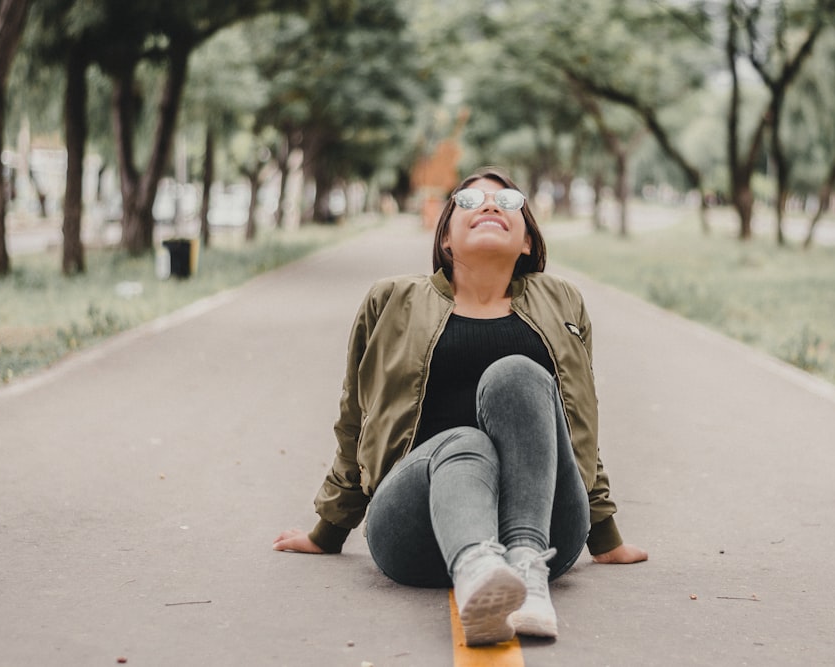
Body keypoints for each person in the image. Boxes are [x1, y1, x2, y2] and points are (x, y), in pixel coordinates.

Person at [273, 166, 647, 646]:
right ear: (446, 237)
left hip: (547, 534)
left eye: (508, 202)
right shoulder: (392, 300)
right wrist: (327, 531)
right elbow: (355, 417)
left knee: (516, 374)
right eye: (468, 202)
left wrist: (606, 538)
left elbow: (577, 422)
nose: (490, 206)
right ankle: (476, 569)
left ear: (528, 241)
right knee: (467, 441)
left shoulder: (563, 301)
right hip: (414, 528)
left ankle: (524, 577)